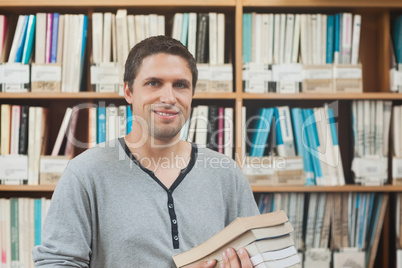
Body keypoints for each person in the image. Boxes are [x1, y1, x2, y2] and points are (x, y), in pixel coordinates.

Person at [32, 35, 260, 267]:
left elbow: (261, 254)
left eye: (180, 85)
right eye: (154, 83)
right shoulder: (85, 173)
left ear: (192, 94)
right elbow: (56, 263)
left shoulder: (226, 173)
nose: (169, 98)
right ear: (128, 92)